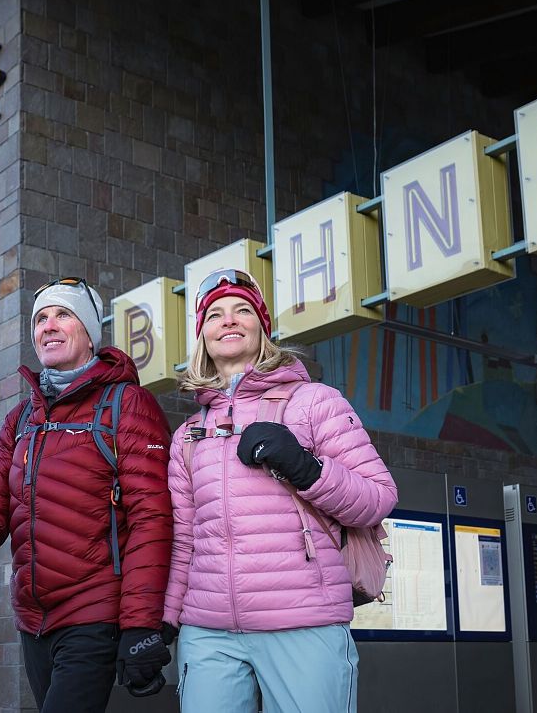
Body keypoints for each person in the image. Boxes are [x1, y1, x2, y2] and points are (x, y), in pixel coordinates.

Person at [0, 277, 174, 712]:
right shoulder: (22, 419)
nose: (48, 326)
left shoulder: (126, 404)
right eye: (40, 319)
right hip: (34, 621)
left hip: (95, 614)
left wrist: (140, 623)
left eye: (63, 315)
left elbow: (152, 517)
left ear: (89, 333)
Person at [162, 269, 397, 713]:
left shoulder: (314, 403)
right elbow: (185, 541)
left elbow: (378, 497)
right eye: (214, 315)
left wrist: (306, 468)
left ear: (262, 328)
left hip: (302, 622)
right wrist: (165, 621)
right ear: (203, 336)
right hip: (209, 633)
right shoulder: (188, 434)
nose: (228, 320)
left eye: (242, 310)